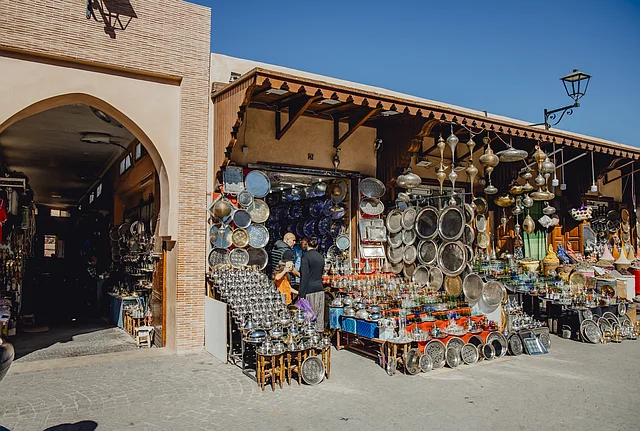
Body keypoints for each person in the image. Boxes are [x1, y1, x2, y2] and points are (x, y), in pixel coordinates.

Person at [299, 236, 325, 332]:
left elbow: (304, 276)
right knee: (319, 315)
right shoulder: (320, 257)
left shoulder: (305, 256)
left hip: (309, 290)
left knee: (309, 316)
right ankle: (319, 337)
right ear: (317, 245)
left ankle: (310, 338)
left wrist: (301, 294)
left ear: (307, 245)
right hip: (320, 288)